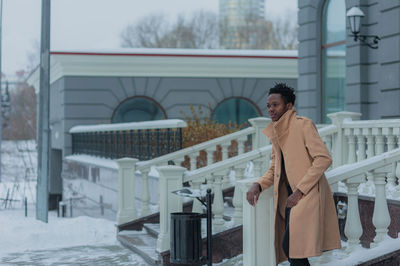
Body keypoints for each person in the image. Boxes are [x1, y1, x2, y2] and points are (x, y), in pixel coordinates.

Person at [246, 83, 341, 265]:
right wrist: (257, 185)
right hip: (288, 200)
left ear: (288, 106)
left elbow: (323, 158)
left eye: (275, 105)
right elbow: (275, 168)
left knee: (290, 247)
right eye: (268, 106)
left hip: (306, 196)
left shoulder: (303, 125)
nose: (270, 109)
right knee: (292, 249)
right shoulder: (277, 132)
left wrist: (300, 190)